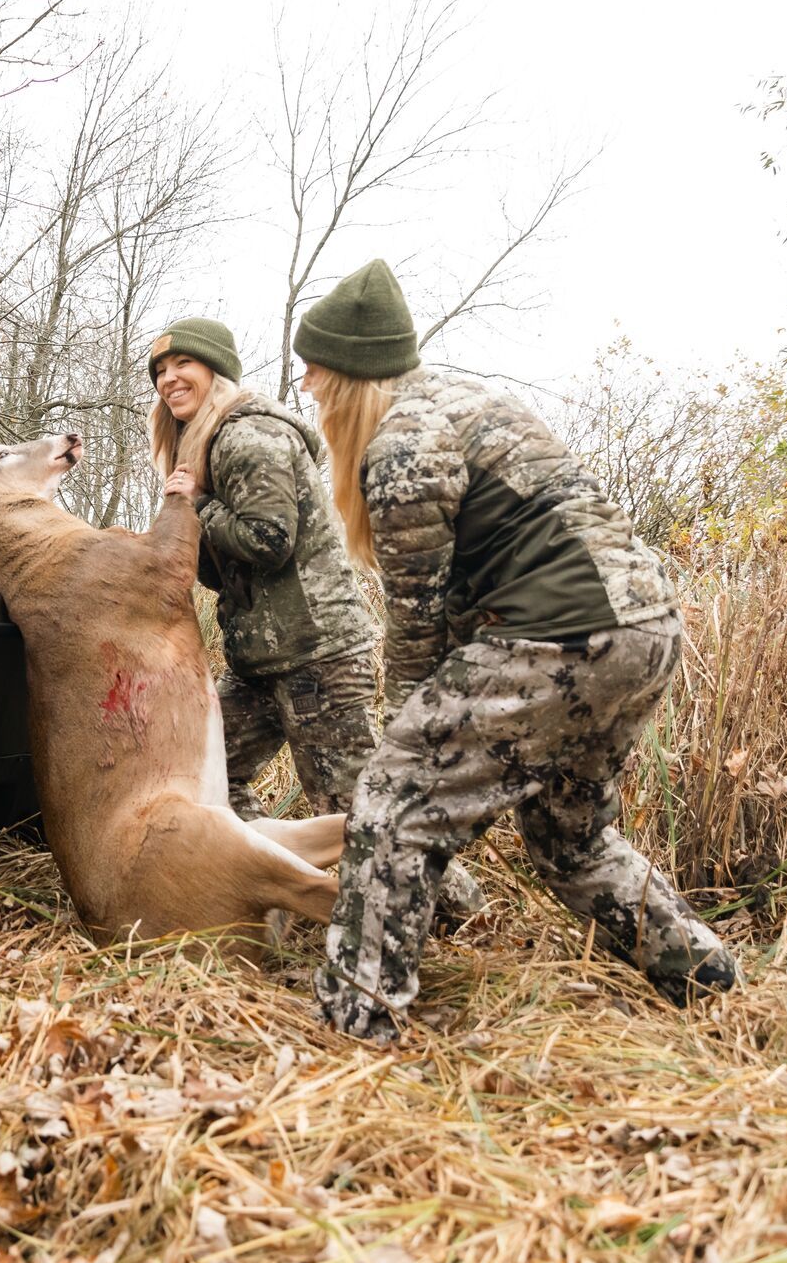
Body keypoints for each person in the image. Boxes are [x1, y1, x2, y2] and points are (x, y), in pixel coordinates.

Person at [296, 259, 736, 1042]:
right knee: (571, 836)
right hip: (645, 630)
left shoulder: (402, 447)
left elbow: (418, 614)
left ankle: (357, 1024)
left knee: (393, 802)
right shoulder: (468, 402)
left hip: (563, 632)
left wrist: (409, 727)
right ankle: (711, 984)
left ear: (349, 376)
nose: (307, 387)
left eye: (315, 371)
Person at [149, 318, 484, 923]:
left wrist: (197, 507)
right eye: (160, 372)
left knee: (355, 805)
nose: (169, 379)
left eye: (183, 366)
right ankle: (272, 892)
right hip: (260, 662)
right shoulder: (202, 445)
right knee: (209, 783)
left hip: (316, 655)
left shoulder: (248, 437)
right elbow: (227, 569)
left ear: (216, 370)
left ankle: (460, 915)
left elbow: (269, 537)